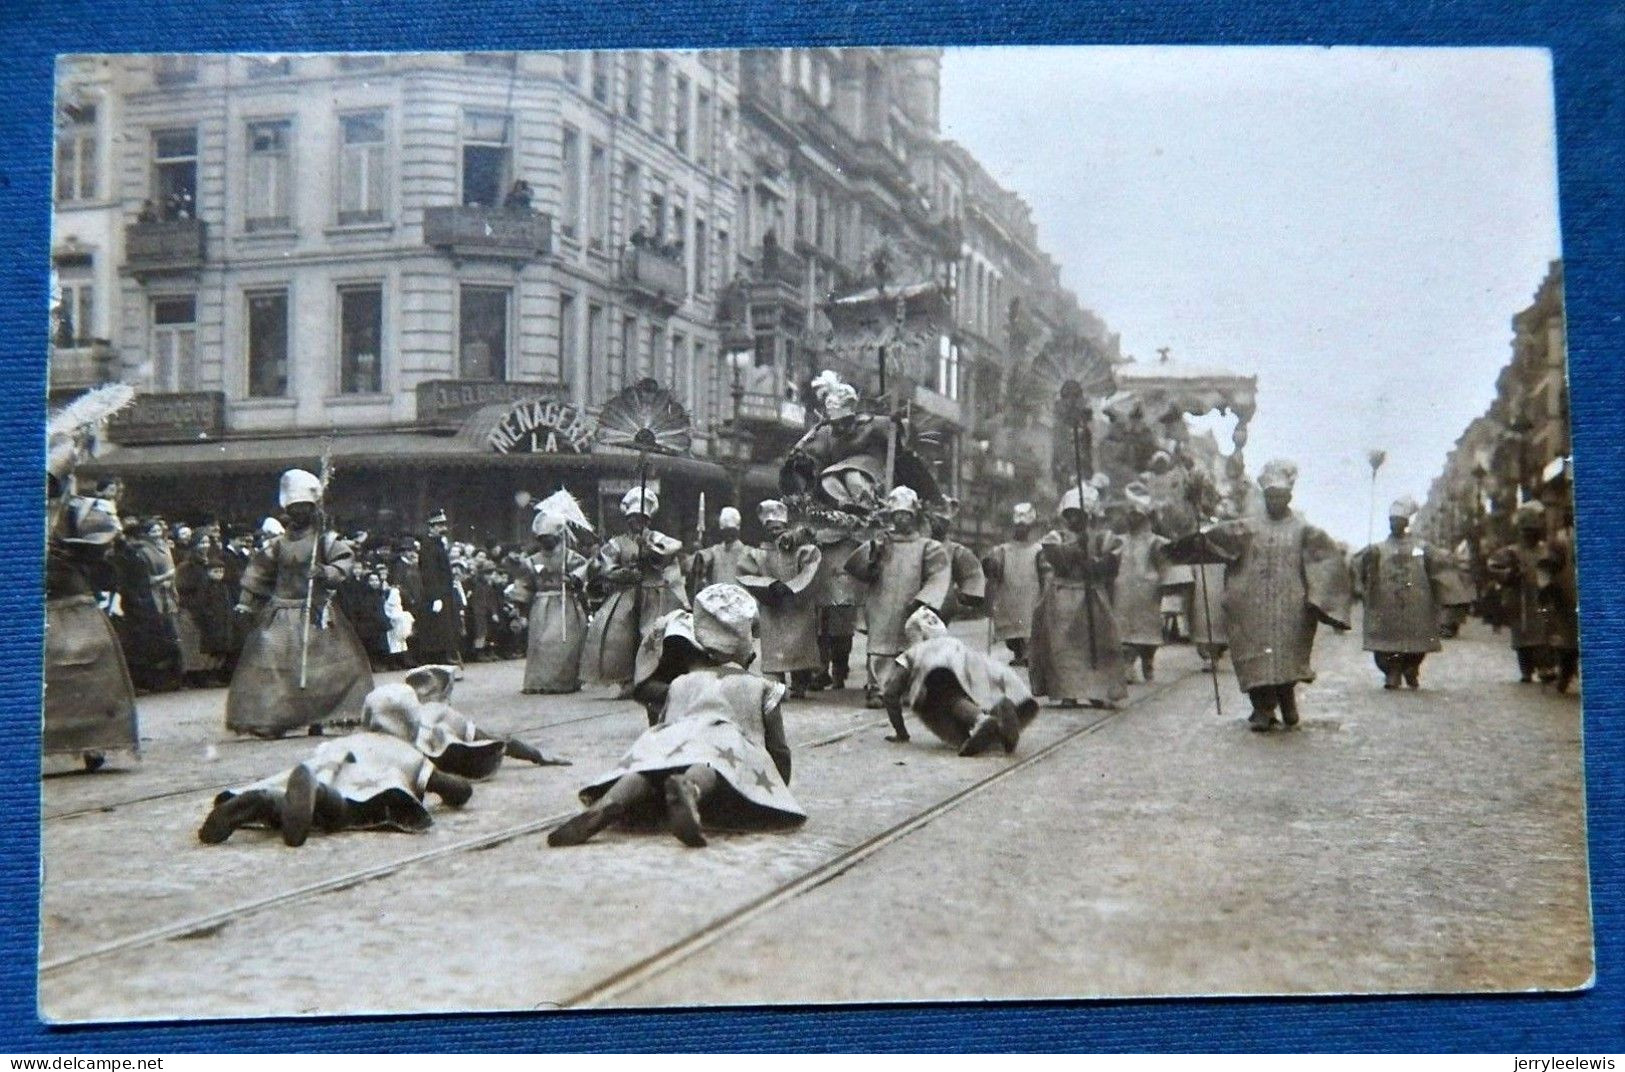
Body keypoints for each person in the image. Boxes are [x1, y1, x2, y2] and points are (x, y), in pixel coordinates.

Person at [548, 584, 804, 849]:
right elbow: (779, 748)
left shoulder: (682, 682)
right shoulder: (759, 685)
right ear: (747, 650)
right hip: (722, 747)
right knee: (709, 765)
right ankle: (690, 789)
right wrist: (777, 785)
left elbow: (665, 727)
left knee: (648, 771)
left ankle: (607, 804)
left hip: (673, 746)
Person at [1167, 459, 1352, 731]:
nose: (1276, 501)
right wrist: (1198, 538)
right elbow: (1217, 540)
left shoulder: (1304, 530)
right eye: (1271, 496)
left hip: (1291, 605)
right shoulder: (1248, 528)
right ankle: (1263, 708)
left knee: (1287, 652)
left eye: (1281, 496)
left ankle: (1286, 695)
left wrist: (1320, 600)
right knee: (1256, 655)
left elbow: (1326, 562)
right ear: (1265, 496)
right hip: (1251, 603)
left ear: (1289, 497)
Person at [225, 469, 375, 739]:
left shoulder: (325, 540)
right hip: (281, 612)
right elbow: (258, 572)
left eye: (304, 508)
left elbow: (344, 562)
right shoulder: (277, 544)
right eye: (293, 509)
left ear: (312, 510)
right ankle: (274, 718)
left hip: (315, 611)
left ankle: (323, 715)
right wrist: (246, 602)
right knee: (271, 660)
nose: (298, 514)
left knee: (323, 665)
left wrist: (324, 572)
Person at [197, 730, 475, 847]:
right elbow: (457, 790)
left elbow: (324, 758)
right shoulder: (405, 750)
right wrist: (457, 785)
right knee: (340, 810)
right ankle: (317, 793)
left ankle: (265, 801)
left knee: (286, 798)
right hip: (368, 787)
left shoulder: (347, 738)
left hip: (322, 767)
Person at [44, 434, 139, 771]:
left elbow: (103, 537)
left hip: (74, 601)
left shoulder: (75, 508)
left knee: (88, 669)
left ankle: (95, 741)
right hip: (35, 606)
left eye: (50, 480)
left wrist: (82, 541)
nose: (44, 486)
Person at [880, 606, 1039, 757]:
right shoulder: (953, 642)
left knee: (947, 699)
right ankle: (999, 715)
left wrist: (901, 732)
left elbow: (890, 693)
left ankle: (980, 720)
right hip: (964, 656)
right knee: (976, 692)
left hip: (936, 667)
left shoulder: (914, 651)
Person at [844, 486, 951, 707]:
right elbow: (859, 569)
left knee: (908, 647)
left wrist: (924, 599)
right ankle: (876, 689)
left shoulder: (926, 547)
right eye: (897, 514)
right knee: (879, 647)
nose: (902, 519)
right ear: (891, 516)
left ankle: (904, 688)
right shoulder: (882, 543)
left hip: (910, 602)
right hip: (881, 600)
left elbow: (938, 575)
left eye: (906, 514)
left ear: (914, 517)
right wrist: (873, 553)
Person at [362, 666, 568, 778]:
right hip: (428, 745)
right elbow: (500, 740)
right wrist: (537, 756)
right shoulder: (441, 714)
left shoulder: (376, 739)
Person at [1353, 496, 1472, 690]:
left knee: (1417, 641)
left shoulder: (1420, 548)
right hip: (1386, 603)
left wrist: (1454, 578)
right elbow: (1359, 565)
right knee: (1386, 642)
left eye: (1398, 521)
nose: (1395, 524)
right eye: (1392, 521)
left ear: (1406, 522)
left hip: (1417, 603)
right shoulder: (1378, 549)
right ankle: (1391, 672)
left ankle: (1411, 669)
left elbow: (1440, 564)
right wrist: (1365, 566)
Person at [1028, 483, 1127, 710]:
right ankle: (1067, 691)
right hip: (1063, 596)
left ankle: (1098, 690)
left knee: (1099, 643)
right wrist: (1073, 549)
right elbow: (1056, 559)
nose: (1073, 519)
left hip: (1092, 596)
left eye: (1078, 514)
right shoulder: (1056, 537)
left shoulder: (1104, 538)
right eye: (1069, 514)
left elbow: (1111, 565)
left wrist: (1094, 561)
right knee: (1062, 647)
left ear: (1089, 515)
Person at [583, 487, 688, 694]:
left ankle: (653, 676)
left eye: (641, 518)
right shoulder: (618, 542)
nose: (637, 523)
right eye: (632, 518)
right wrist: (626, 572)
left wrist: (648, 550)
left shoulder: (658, 538)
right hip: (628, 594)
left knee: (652, 636)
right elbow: (607, 568)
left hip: (655, 593)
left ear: (648, 520)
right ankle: (627, 678)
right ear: (627, 520)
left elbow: (669, 554)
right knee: (623, 637)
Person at [781, 372, 937, 509]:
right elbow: (813, 454)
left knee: (851, 475)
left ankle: (865, 503)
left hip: (870, 470)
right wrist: (801, 457)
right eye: (830, 410)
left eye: (836, 408)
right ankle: (849, 505)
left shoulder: (869, 424)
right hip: (836, 472)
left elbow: (900, 436)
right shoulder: (826, 432)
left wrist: (897, 424)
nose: (837, 423)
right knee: (828, 480)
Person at [737, 500, 822, 699]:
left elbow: (811, 568)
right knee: (774, 649)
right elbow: (745, 572)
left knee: (800, 646)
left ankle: (800, 684)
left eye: (778, 528)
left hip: (797, 605)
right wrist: (766, 586)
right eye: (771, 528)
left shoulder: (802, 550)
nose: (775, 532)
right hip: (771, 606)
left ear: (785, 526)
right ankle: (777, 685)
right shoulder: (758, 553)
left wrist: (792, 587)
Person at [1487, 502, 1566, 686]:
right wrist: (1509, 573)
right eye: (1525, 531)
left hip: (1540, 597)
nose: (1529, 535)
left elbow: (1556, 568)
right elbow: (1493, 566)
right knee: (1521, 636)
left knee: (1543, 633)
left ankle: (1545, 667)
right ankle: (1526, 669)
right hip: (1519, 597)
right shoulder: (1511, 551)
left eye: (1532, 531)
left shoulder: (1545, 550)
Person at [508, 512, 588, 694]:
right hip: (541, 606)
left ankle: (564, 681)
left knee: (563, 642)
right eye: (542, 538)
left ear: (558, 536)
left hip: (565, 603)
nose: (545, 541)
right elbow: (524, 584)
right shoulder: (532, 561)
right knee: (541, 643)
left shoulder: (571, 558)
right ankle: (540, 681)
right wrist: (519, 608)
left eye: (549, 537)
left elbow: (584, 576)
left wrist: (574, 580)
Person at [1113, 482, 1172, 684]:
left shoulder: (1155, 541)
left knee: (1148, 633)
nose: (1132, 518)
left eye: (1136, 514)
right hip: (1123, 589)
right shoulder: (1119, 541)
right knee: (1125, 632)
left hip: (1147, 591)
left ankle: (1148, 660)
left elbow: (1164, 564)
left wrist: (1163, 582)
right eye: (1129, 514)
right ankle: (1128, 664)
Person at [982, 503, 1043, 667]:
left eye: (1025, 526)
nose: (1021, 530)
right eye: (1018, 526)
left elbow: (1045, 573)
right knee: (1012, 629)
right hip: (1009, 594)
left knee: (1030, 625)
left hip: (1031, 594)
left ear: (1031, 527)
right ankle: (1018, 652)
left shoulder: (1038, 550)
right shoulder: (1003, 550)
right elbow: (993, 570)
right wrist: (990, 566)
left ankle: (1028, 653)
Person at [809, 516, 864, 690]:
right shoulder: (818, 518)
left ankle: (839, 672)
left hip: (846, 579)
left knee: (842, 631)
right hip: (823, 578)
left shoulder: (858, 523)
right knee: (820, 629)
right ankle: (821, 671)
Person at [413, 509, 462, 668]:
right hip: (435, 594)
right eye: (439, 525)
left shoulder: (438, 544)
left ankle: (444, 658)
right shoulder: (428, 546)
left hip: (444, 593)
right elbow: (429, 574)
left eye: (443, 524)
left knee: (445, 628)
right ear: (432, 527)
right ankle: (436, 661)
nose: (443, 528)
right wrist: (435, 597)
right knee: (436, 629)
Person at [928, 500, 986, 624]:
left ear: (948, 525)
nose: (938, 525)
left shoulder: (955, 551)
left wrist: (962, 597)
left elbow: (973, 573)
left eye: (943, 522)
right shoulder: (920, 545)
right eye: (934, 520)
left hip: (941, 605)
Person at [688, 506, 749, 592]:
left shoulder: (747, 552)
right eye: (726, 531)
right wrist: (698, 555)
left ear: (738, 530)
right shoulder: (715, 550)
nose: (729, 536)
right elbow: (694, 564)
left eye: (732, 531)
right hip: (718, 598)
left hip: (739, 599)